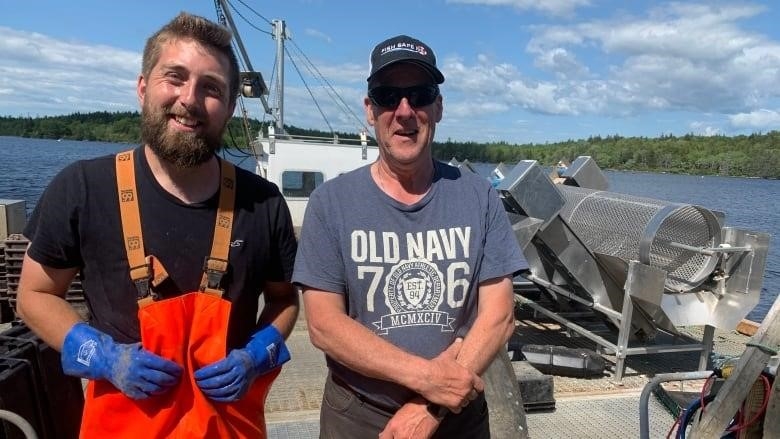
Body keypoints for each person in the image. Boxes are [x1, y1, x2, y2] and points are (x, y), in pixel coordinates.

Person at [16, 12, 298, 439]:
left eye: (211, 88)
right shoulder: (82, 188)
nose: (189, 99)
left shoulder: (263, 202)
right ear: (143, 87)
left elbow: (284, 300)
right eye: (175, 77)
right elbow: (34, 295)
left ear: (230, 107)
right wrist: (103, 357)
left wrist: (257, 355)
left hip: (228, 426)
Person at [293, 34, 528, 439]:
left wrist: (431, 405)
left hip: (458, 415)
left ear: (438, 107)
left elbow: (500, 315)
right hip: (358, 415)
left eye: (419, 95)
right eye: (388, 96)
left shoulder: (478, 195)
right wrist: (427, 379)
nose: (404, 111)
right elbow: (324, 325)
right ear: (370, 110)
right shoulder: (331, 202)